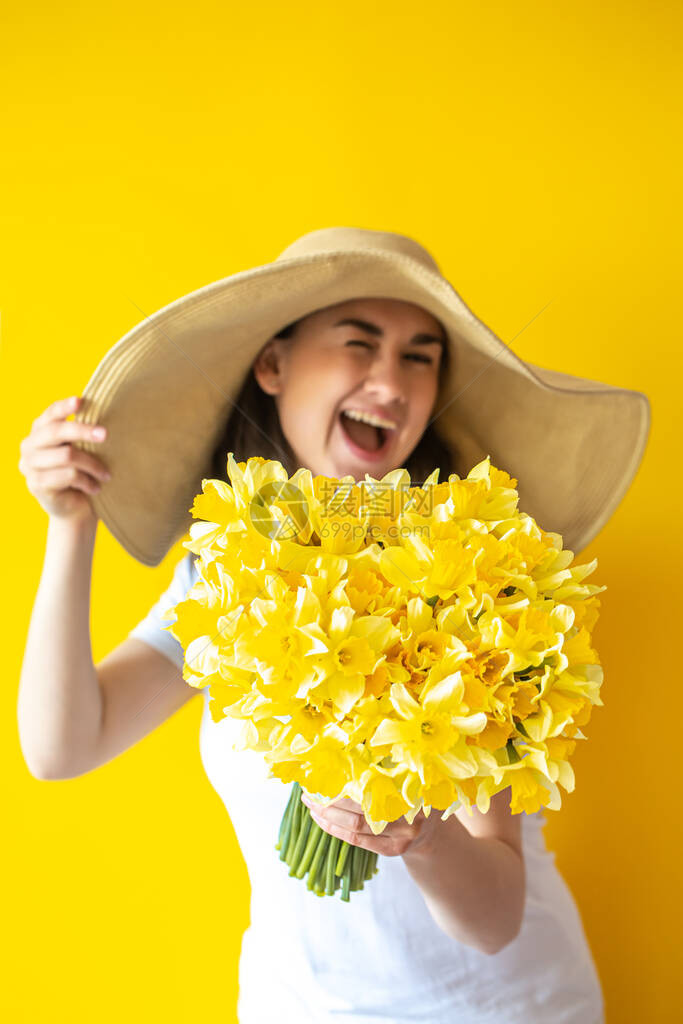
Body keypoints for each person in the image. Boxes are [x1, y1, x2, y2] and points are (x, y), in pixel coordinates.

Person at [18, 227, 650, 1023]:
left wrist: (422, 836)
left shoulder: (475, 577)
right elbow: (63, 745)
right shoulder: (227, 576)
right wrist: (72, 526)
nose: (391, 381)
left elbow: (494, 920)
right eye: (360, 344)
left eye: (419, 356)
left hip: (504, 1007)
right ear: (273, 366)